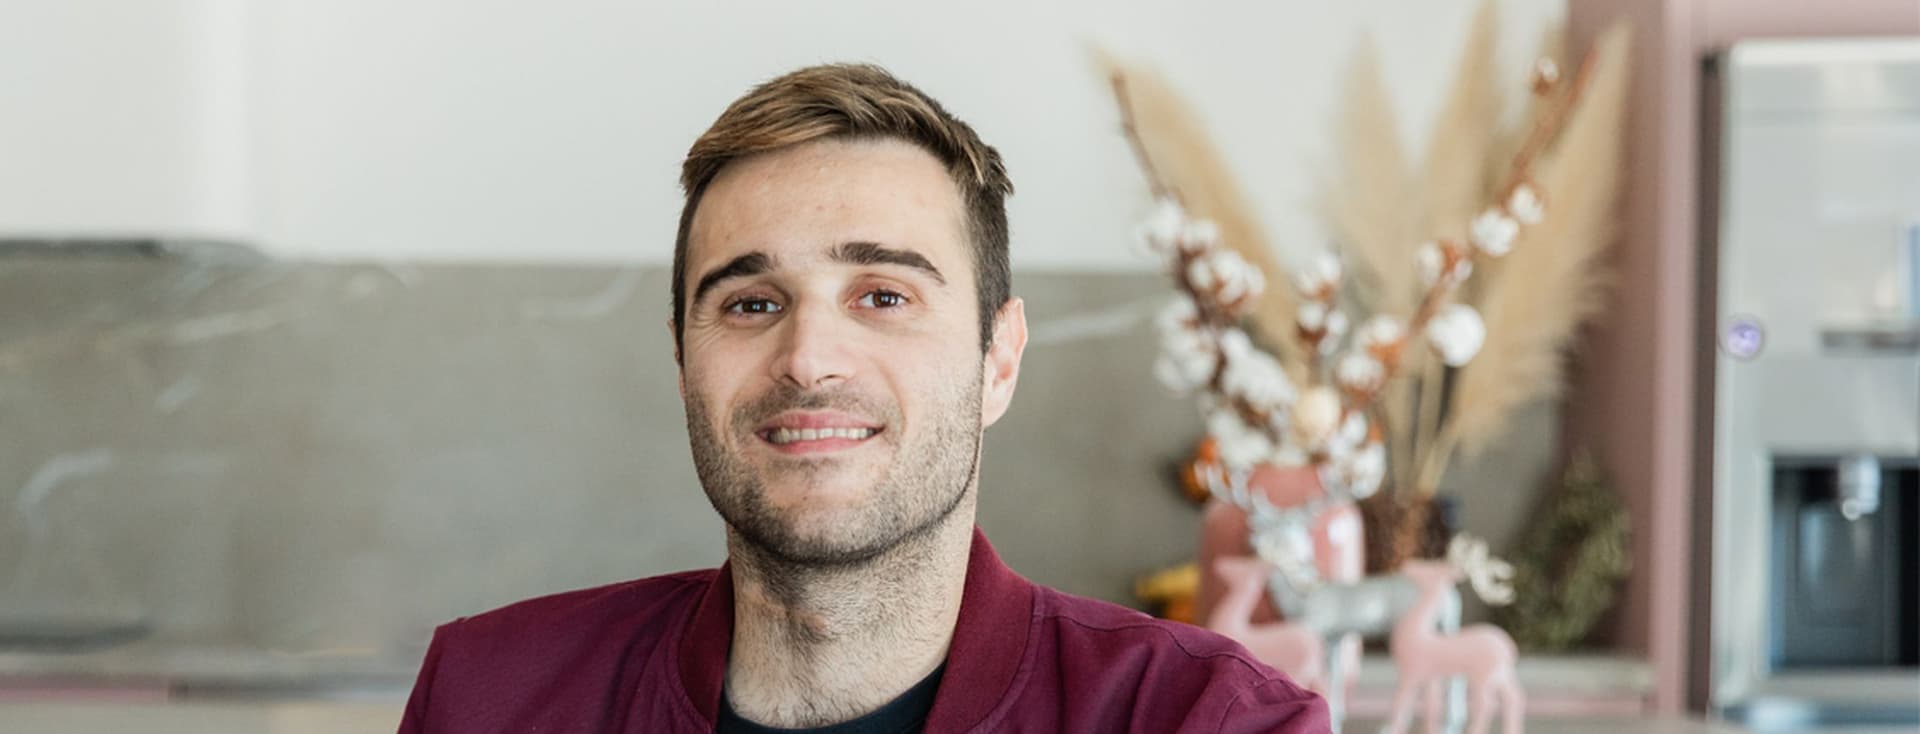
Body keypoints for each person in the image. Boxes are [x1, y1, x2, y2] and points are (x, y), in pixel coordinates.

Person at [398, 62, 1329, 734]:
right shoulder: (490, 698)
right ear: (683, 361)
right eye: (752, 303)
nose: (808, 359)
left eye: (883, 296)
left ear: (997, 360)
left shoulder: (1206, 719)